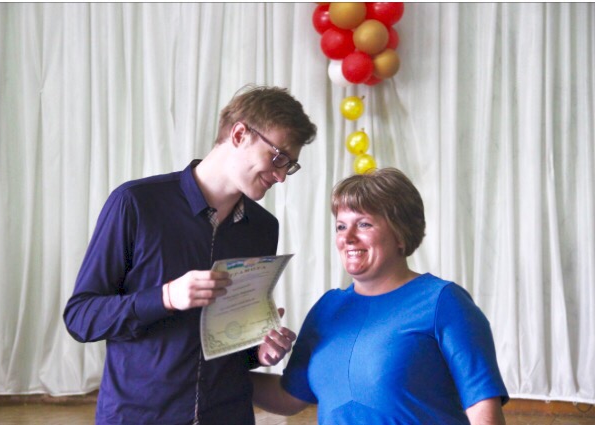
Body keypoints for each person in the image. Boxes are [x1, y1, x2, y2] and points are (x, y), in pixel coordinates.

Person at [63, 85, 316, 425]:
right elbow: (81, 318)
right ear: (239, 134)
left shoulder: (263, 228)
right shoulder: (135, 203)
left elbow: (226, 347)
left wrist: (259, 350)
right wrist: (166, 297)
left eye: (290, 165)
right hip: (138, 417)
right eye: (278, 157)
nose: (282, 176)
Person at [251, 167, 509, 425]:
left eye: (364, 224)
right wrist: (226, 371)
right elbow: (289, 398)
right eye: (341, 226)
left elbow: (483, 408)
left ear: (400, 233)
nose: (348, 238)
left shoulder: (443, 302)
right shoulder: (328, 307)